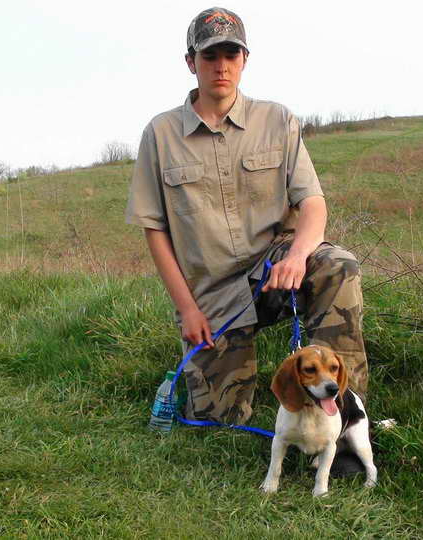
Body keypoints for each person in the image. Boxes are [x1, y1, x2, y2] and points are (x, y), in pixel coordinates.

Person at [126, 8, 368, 431]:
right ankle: (244, 389)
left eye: (231, 54)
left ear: (244, 59)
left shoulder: (277, 120)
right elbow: (155, 230)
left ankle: (346, 425)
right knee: (221, 422)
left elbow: (313, 203)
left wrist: (296, 256)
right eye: (210, 55)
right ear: (190, 63)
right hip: (213, 293)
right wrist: (187, 311)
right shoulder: (160, 134)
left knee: (338, 267)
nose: (221, 65)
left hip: (276, 269)